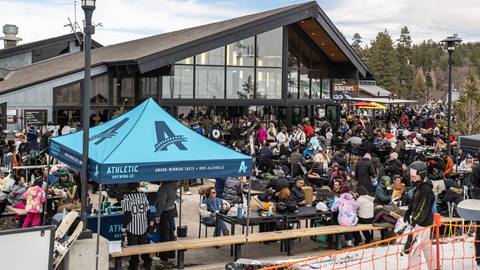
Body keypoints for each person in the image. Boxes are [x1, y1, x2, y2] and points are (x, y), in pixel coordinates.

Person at [403, 161, 435, 270]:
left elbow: (422, 208)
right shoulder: (418, 186)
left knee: (415, 248)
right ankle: (434, 266)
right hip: (420, 222)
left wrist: (414, 221)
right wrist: (408, 212)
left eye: (414, 175)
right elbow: (414, 202)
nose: (412, 177)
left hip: (422, 223)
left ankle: (414, 268)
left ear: (421, 175)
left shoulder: (425, 189)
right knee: (426, 246)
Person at [122, 183, 152, 270]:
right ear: (137, 187)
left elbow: (127, 214)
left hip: (132, 227)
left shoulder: (127, 198)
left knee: (133, 248)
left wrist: (124, 226)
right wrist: (149, 223)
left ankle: (134, 266)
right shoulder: (143, 195)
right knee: (144, 247)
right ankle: (147, 263)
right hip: (143, 225)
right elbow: (148, 212)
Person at [155, 181, 177, 262]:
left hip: (165, 212)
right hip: (171, 210)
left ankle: (164, 256)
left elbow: (161, 203)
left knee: (164, 235)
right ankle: (172, 254)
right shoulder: (174, 184)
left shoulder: (163, 188)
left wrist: (158, 215)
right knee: (171, 233)